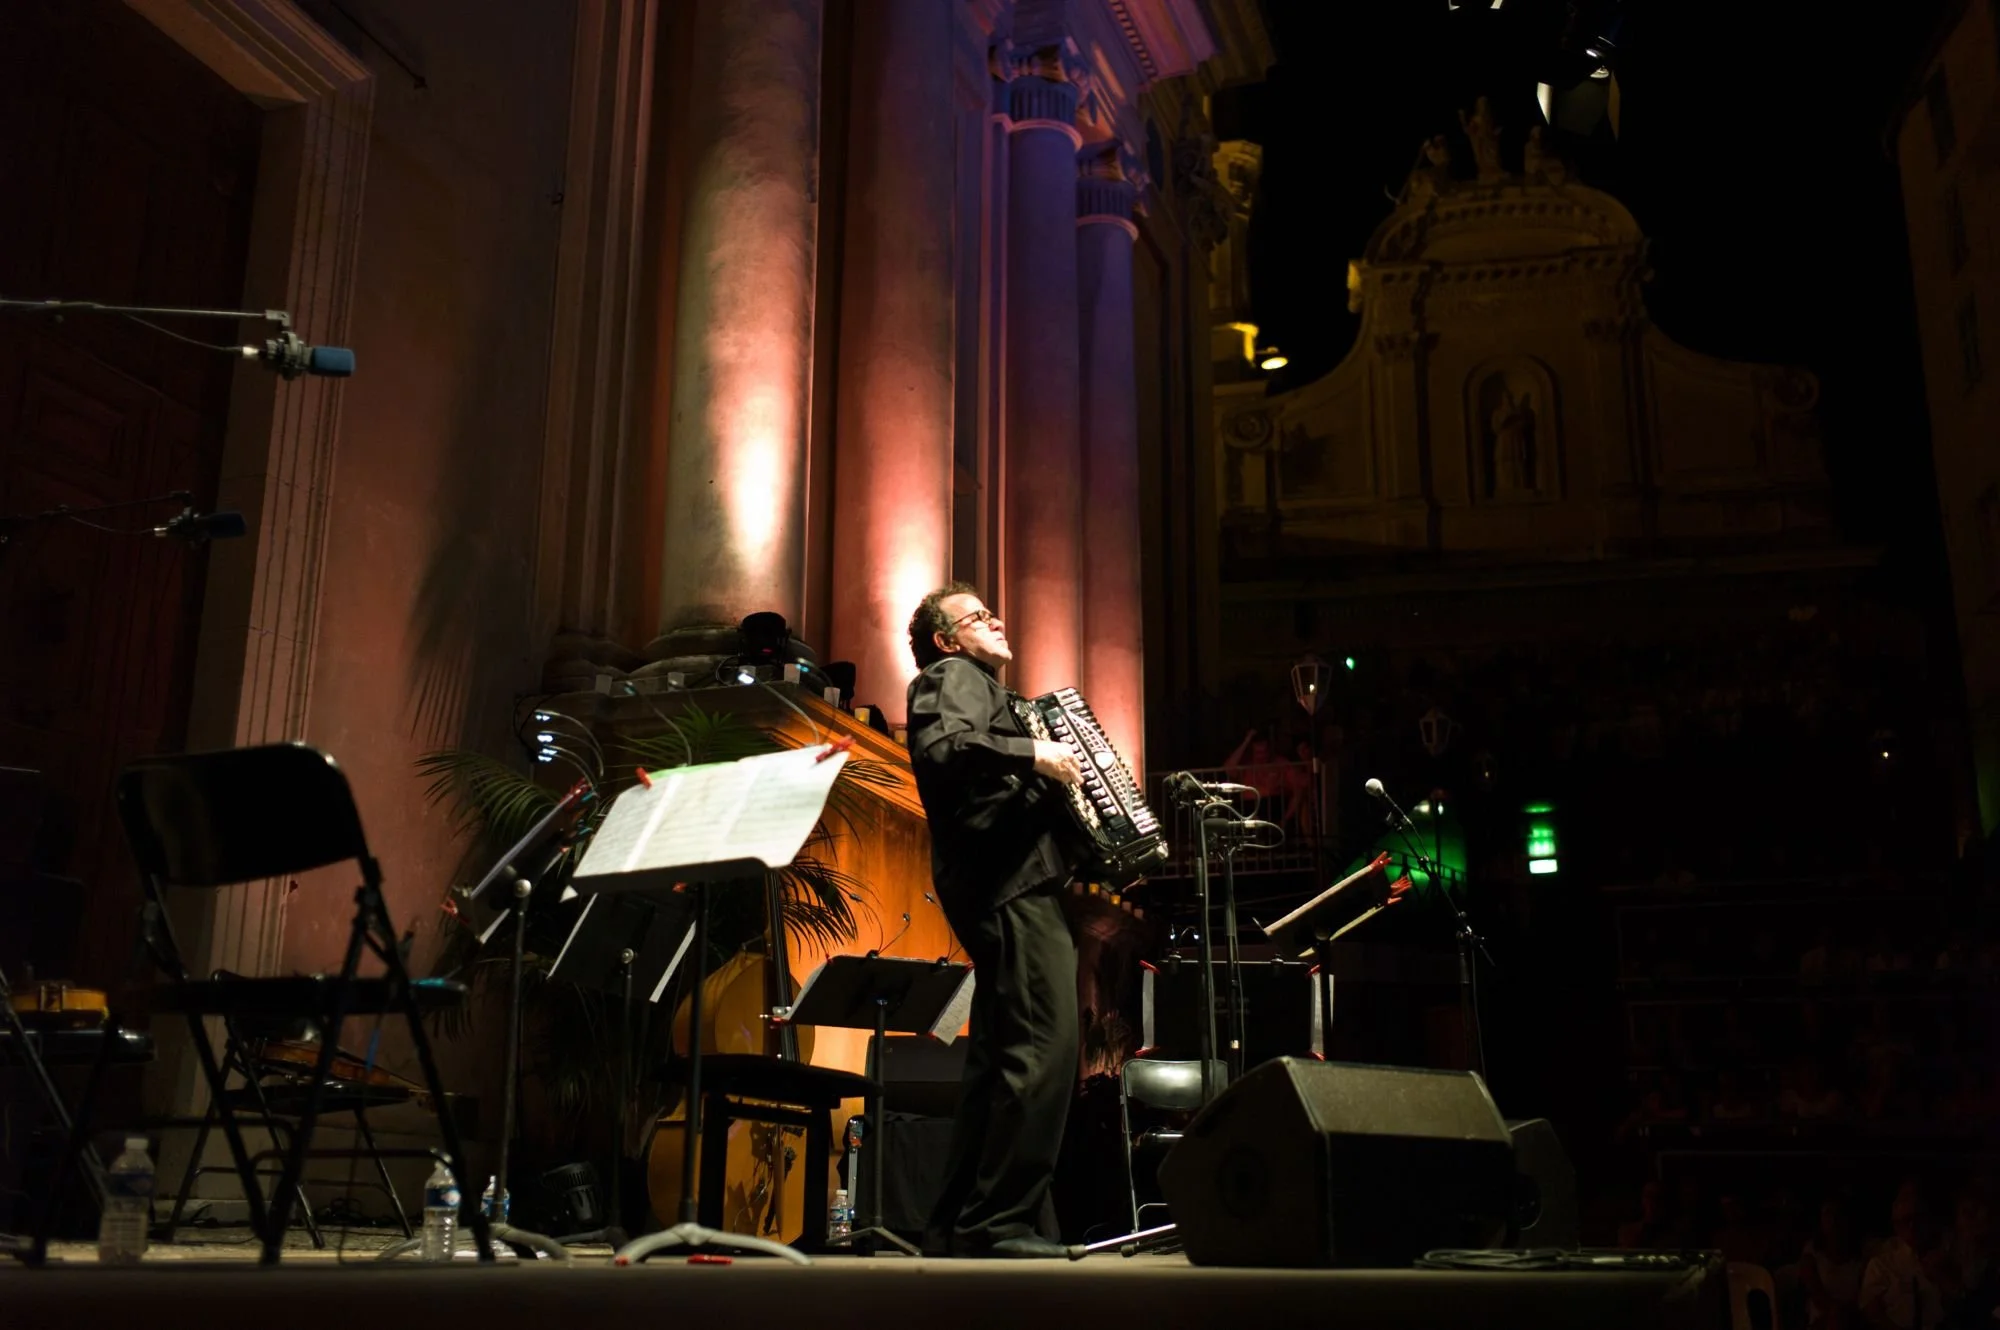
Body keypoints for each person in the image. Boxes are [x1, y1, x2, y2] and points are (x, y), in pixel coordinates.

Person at [904, 583, 1086, 1259]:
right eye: (977, 617)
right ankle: (998, 1223)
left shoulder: (983, 687)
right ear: (947, 640)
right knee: (1044, 1048)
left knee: (1001, 1059)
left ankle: (957, 1225)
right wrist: (1033, 754)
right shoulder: (951, 676)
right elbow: (945, 748)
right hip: (1007, 884)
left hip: (1008, 879)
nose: (997, 620)